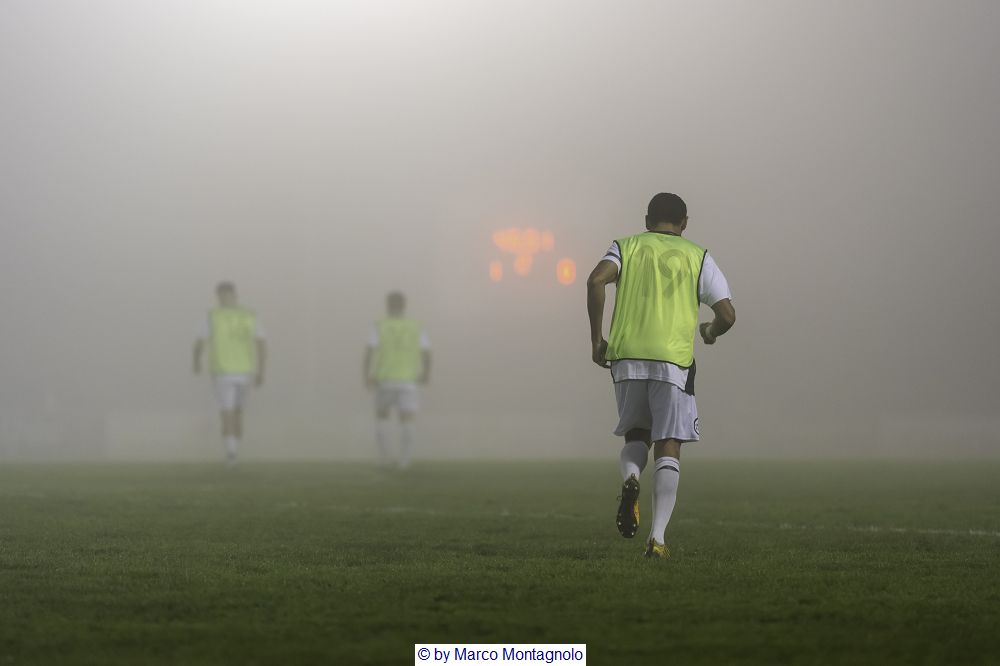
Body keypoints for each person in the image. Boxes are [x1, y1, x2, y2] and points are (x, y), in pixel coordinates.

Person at [586, 193, 735, 559]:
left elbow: (595, 281)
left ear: (646, 220)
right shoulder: (698, 256)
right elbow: (728, 315)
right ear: (684, 223)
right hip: (673, 361)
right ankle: (657, 539)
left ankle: (631, 477)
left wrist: (596, 340)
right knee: (669, 441)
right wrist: (710, 331)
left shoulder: (626, 247)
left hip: (626, 356)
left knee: (637, 433)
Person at [193, 282, 266, 466]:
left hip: (241, 371)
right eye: (221, 295)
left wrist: (261, 370)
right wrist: (196, 360)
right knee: (228, 412)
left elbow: (261, 343)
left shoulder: (246, 315)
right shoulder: (214, 315)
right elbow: (200, 341)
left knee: (236, 413)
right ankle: (231, 454)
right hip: (225, 371)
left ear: (234, 295)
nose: (224, 298)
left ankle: (233, 450)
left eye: (226, 295)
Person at [363, 291, 431, 469]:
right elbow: (426, 352)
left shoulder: (380, 325)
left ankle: (385, 458)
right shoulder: (416, 326)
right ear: (404, 306)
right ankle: (404, 462)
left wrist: (367, 376)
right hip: (408, 380)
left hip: (385, 379)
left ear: (387, 305)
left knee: (382, 417)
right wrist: (426, 373)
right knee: (407, 420)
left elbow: (369, 352)